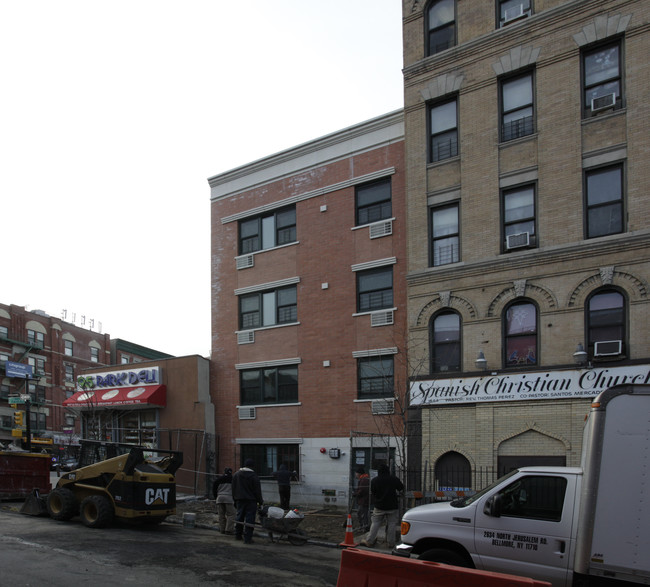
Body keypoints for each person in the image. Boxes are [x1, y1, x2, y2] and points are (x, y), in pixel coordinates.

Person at [360, 464, 404, 549]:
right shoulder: (393, 479)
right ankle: (391, 543)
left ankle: (369, 541)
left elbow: (373, 492)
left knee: (375, 523)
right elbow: (401, 488)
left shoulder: (374, 480)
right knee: (391, 524)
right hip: (392, 506)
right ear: (388, 471)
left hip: (379, 506)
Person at [231, 458, 264, 544]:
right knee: (250, 519)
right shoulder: (254, 476)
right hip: (251, 501)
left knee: (239, 517)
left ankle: (238, 535)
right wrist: (260, 502)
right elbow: (257, 491)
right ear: (252, 466)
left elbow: (233, 488)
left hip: (239, 500)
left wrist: (234, 499)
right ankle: (248, 538)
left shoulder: (236, 475)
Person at [213, 467, 235, 534]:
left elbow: (214, 489)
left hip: (220, 498)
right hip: (229, 498)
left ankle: (222, 529)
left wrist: (216, 497)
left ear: (224, 472)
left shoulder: (218, 479)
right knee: (231, 514)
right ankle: (228, 530)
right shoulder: (233, 479)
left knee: (221, 514)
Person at [353, 466, 370, 531]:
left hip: (364, 500)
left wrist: (356, 494)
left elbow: (362, 490)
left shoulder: (364, 480)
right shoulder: (364, 479)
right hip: (363, 500)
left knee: (362, 513)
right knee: (361, 513)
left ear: (359, 473)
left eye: (356, 473)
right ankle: (364, 526)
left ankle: (364, 527)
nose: (356, 475)